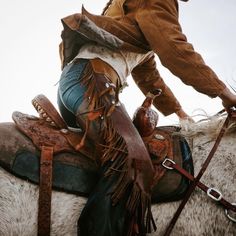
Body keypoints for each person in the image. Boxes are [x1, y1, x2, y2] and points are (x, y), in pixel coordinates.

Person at [57, 0, 236, 235]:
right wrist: (225, 94)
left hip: (84, 82)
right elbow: (174, 48)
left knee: (112, 158)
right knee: (129, 158)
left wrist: (179, 112)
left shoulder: (139, 16)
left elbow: (148, 74)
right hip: (91, 82)